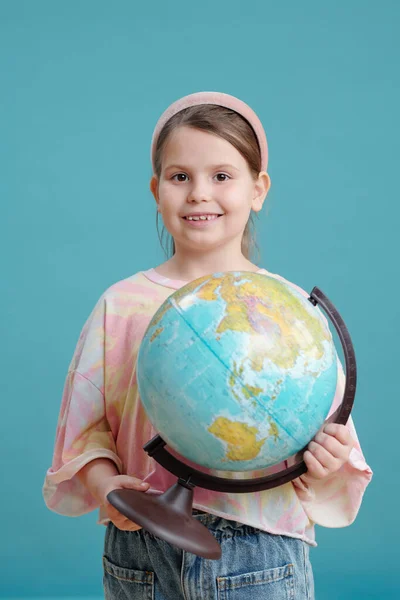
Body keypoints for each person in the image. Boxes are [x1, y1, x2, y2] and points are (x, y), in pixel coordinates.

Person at [43, 91, 373, 600]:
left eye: (222, 176)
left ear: (258, 189)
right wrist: (104, 486)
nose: (199, 193)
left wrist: (328, 469)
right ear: (157, 190)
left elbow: (335, 454)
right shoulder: (121, 305)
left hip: (259, 550)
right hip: (141, 548)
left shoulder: (287, 311)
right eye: (181, 177)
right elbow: (85, 434)